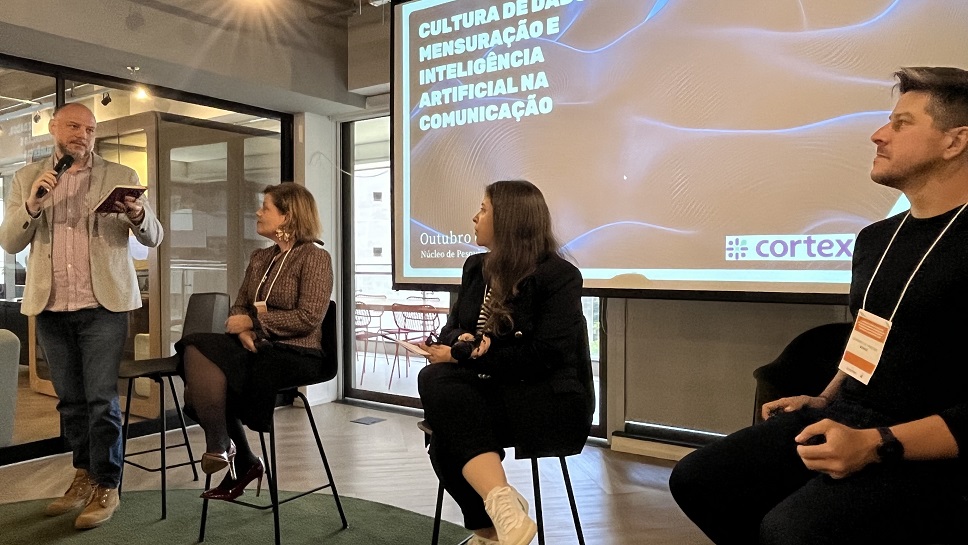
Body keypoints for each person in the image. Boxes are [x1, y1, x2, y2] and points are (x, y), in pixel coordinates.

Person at [669, 66, 968, 545]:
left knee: (791, 529)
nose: (878, 135)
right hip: (853, 417)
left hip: (932, 444)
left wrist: (877, 443)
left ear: (955, 141)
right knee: (701, 479)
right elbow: (869, 333)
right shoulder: (877, 239)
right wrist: (826, 398)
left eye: (901, 124)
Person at [0, 103, 163, 529]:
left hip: (102, 307)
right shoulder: (27, 177)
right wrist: (33, 205)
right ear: (53, 128)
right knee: (70, 400)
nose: (83, 135)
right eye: (74, 126)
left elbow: (154, 235)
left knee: (100, 398)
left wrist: (137, 214)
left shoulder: (120, 174)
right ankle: (83, 474)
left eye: (90, 129)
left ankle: (108, 484)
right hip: (51, 306)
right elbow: (10, 242)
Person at [417, 180, 594, 545]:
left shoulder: (558, 276)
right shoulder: (475, 268)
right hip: (488, 390)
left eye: (483, 210)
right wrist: (462, 342)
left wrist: (473, 356)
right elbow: (451, 328)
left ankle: (492, 530)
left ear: (509, 220)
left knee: (448, 432)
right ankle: (503, 516)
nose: (474, 217)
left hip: (542, 397)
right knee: (434, 381)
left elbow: (544, 356)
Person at [177, 183, 333, 501]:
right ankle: (223, 446)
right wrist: (244, 332)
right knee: (195, 346)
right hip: (257, 344)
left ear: (288, 216)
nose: (258, 213)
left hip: (299, 351)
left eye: (266, 207)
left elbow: (309, 318)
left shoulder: (315, 257)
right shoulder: (261, 257)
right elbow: (240, 305)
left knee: (212, 371)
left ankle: (238, 456)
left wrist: (253, 323)